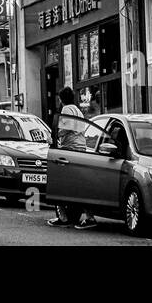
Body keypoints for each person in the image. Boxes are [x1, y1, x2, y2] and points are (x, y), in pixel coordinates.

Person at [47, 87, 85, 227]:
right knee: (78, 184)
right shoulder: (78, 110)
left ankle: (62, 217)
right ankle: (78, 214)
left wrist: (55, 135)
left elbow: (65, 128)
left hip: (69, 148)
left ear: (61, 99)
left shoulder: (66, 109)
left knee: (59, 183)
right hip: (81, 147)